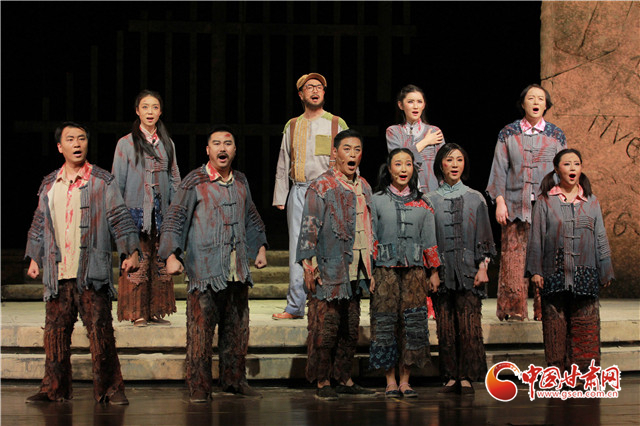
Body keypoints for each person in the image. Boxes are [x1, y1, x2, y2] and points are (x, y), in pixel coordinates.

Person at [25, 122, 140, 404]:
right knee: (55, 334)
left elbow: (119, 216)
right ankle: (54, 389)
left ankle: (111, 389)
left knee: (100, 332)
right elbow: (40, 222)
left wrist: (130, 252)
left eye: (81, 138)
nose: (77, 144)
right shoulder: (49, 184)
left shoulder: (102, 180)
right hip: (58, 271)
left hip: (91, 271)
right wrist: (34, 256)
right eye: (70, 139)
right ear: (59, 147)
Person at [159, 126, 268, 403]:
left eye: (228, 143)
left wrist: (259, 247)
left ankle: (234, 380)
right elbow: (175, 217)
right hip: (205, 270)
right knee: (200, 331)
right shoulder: (194, 181)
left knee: (237, 329)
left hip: (236, 270)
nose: (222, 148)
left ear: (234, 150)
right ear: (208, 150)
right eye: (217, 143)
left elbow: (250, 215)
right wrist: (171, 255)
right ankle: (199, 385)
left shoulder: (240, 181)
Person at [297, 129, 375, 400]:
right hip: (329, 267)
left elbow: (370, 226)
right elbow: (309, 226)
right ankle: (322, 380)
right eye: (347, 149)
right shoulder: (321, 186)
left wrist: (372, 267)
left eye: (357, 149)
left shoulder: (364, 186)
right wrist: (309, 266)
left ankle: (344, 377)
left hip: (357, 268)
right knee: (326, 328)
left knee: (350, 328)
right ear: (335, 153)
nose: (352, 154)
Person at [526, 149, 614, 377]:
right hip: (554, 273)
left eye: (576, 163)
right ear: (557, 169)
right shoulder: (545, 201)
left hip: (585, 274)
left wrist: (605, 268)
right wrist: (535, 270)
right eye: (567, 164)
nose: (572, 168)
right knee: (555, 327)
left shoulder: (591, 201)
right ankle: (556, 374)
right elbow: (536, 238)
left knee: (585, 326)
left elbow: (600, 236)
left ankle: (583, 374)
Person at [486, 83, 566, 321]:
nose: (536, 102)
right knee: (513, 260)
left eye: (540, 98)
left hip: (547, 206)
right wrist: (500, 201)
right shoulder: (508, 133)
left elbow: (563, 169)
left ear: (546, 105)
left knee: (547, 258)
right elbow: (499, 169)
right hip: (514, 205)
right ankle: (513, 310)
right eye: (531, 98)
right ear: (523, 104)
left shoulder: (556, 134)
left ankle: (546, 309)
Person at [272, 73, 348, 320]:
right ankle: (295, 306)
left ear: (324, 93)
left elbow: (349, 157)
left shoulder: (336, 123)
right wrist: (281, 195)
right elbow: (283, 160)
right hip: (300, 190)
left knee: (329, 244)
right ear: (301, 94)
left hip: (329, 191)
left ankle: (328, 302)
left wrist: (350, 191)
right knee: (298, 247)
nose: (315, 90)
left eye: (319, 87)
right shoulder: (293, 125)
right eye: (309, 87)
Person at [369, 148, 440, 398]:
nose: (403, 169)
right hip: (384, 271)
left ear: (413, 169)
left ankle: (405, 380)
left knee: (413, 324)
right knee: (385, 323)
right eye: (398, 164)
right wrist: (370, 272)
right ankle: (390, 380)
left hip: (415, 273)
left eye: (408, 164)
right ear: (389, 169)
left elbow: (430, 240)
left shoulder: (424, 203)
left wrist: (434, 272)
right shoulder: (376, 200)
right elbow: (371, 237)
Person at [427, 143, 496, 395]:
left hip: (469, 270)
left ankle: (467, 375)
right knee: (445, 326)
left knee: (469, 325)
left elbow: (485, 236)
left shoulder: (475, 198)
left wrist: (483, 267)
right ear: (440, 165)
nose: (454, 164)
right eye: (449, 159)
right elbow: (428, 240)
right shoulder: (430, 200)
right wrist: (433, 272)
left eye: (459, 159)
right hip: (442, 271)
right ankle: (450, 375)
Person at [112, 89, 181, 327]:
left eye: (154, 107)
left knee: (158, 262)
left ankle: (155, 310)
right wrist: (120, 216)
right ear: (137, 111)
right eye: (145, 107)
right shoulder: (125, 144)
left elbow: (174, 179)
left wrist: (176, 211)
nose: (150, 112)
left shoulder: (167, 143)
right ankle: (136, 312)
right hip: (134, 212)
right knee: (138, 261)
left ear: (160, 112)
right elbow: (117, 183)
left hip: (161, 213)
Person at [386, 84, 445, 194]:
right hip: (403, 193)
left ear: (424, 105)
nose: (415, 106)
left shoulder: (434, 131)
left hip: (432, 193)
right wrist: (426, 142)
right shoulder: (393, 132)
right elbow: (399, 159)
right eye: (410, 102)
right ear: (401, 105)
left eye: (419, 102)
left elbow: (443, 166)